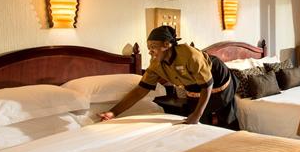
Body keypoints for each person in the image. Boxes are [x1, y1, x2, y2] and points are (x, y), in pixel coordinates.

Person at [99, 26, 237, 125]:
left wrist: (197, 114)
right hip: (195, 85)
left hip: (217, 77)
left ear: (166, 45)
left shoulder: (190, 55)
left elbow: (207, 85)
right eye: (149, 48)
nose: (150, 51)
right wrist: (113, 112)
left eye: (153, 46)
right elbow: (140, 91)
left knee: (223, 117)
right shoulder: (155, 65)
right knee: (198, 120)